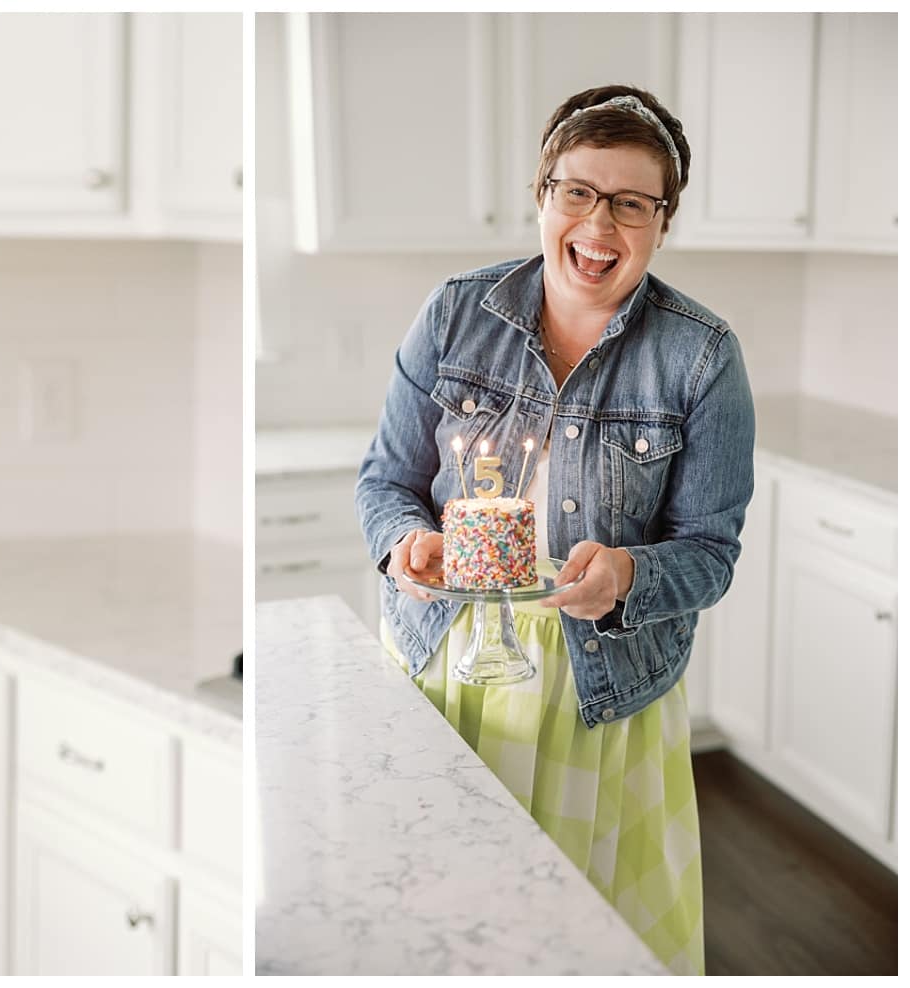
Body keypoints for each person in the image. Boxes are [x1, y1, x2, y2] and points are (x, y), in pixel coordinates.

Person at [353, 85, 755, 976]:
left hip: (600, 694)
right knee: (444, 924)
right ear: (542, 197)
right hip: (449, 668)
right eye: (577, 192)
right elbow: (386, 483)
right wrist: (405, 543)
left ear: (662, 219)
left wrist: (629, 578)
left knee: (581, 940)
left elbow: (711, 552)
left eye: (630, 202)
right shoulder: (454, 315)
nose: (598, 224)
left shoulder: (702, 355)